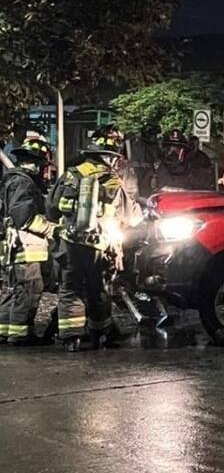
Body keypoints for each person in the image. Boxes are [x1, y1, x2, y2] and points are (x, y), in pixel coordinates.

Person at [48, 127, 142, 351]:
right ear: (109, 157)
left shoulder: (71, 174)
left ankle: (71, 338)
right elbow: (132, 217)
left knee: (70, 289)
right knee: (98, 289)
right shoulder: (112, 180)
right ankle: (100, 333)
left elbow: (51, 208)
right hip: (99, 247)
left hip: (69, 244)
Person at [0, 138, 58, 345]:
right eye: (42, 165)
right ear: (34, 162)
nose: (43, 170)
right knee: (30, 290)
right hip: (27, 247)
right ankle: (20, 334)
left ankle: (5, 331)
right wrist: (52, 228)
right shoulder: (23, 182)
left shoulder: (13, 180)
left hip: (15, 246)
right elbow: (24, 217)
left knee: (16, 290)